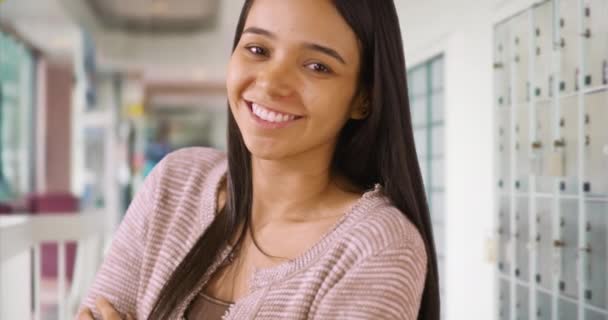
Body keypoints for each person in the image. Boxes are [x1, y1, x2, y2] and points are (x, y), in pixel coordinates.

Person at [77, 0, 440, 319]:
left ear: (363, 98)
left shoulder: (378, 247)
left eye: (317, 66)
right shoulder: (175, 183)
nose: (270, 83)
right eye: (257, 49)